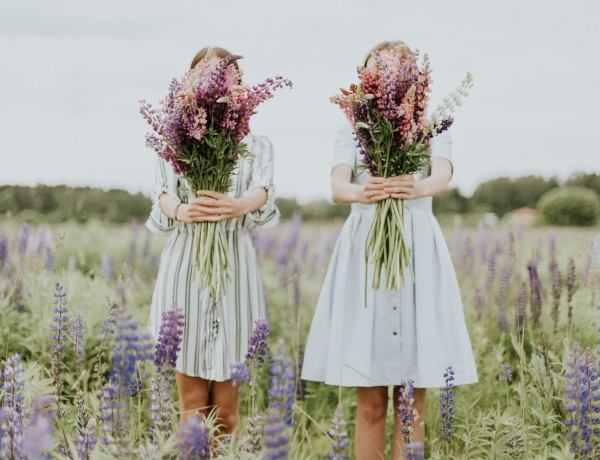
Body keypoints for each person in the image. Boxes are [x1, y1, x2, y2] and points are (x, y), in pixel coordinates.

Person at [301, 40, 478, 459]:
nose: (383, 76)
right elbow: (338, 186)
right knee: (371, 401)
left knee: (412, 399)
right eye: (375, 69)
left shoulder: (433, 122)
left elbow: (443, 175)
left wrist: (413, 187)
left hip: (417, 245)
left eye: (392, 68)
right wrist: (364, 193)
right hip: (366, 248)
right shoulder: (351, 126)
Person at [146, 46, 280, 437]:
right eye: (206, 75)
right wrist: (182, 212)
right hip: (185, 266)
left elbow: (263, 192)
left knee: (226, 411)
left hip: (235, 268)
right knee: (191, 407)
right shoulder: (173, 141)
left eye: (226, 76)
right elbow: (161, 194)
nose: (217, 82)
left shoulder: (257, 144)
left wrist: (237, 205)